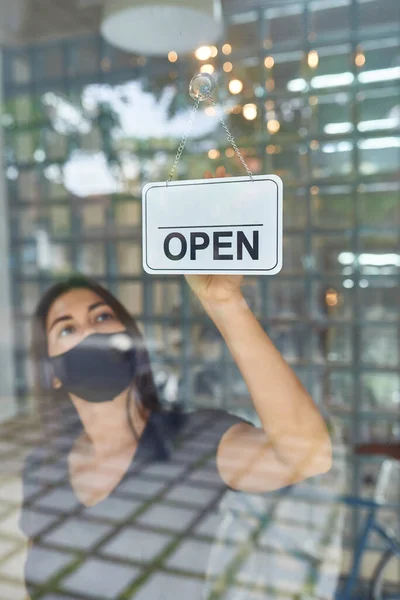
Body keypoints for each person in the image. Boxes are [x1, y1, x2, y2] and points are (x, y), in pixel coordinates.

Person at [20, 272, 332, 599]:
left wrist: (226, 303)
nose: (90, 332)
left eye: (102, 316)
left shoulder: (193, 441)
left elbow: (309, 456)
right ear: (53, 372)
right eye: (67, 329)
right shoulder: (44, 463)